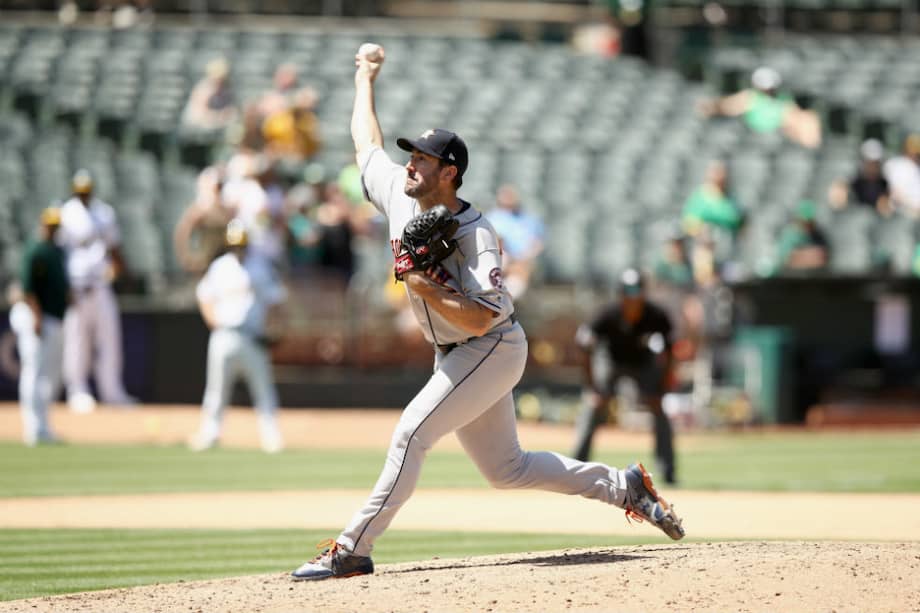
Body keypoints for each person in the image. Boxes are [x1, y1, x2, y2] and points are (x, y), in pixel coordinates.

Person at [290, 42, 684, 582]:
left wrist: (422, 283)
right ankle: (625, 487)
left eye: (422, 158)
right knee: (508, 469)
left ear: (449, 173)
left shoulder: (478, 237)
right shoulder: (401, 197)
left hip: (491, 346)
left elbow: (480, 319)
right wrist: (365, 77)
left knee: (411, 435)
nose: (410, 163)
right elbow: (365, 144)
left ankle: (352, 549)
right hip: (457, 350)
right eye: (412, 155)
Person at [188, 219, 287, 454]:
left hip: (252, 336)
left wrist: (273, 326)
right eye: (235, 245)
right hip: (224, 334)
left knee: (263, 390)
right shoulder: (220, 267)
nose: (239, 250)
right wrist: (213, 320)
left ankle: (270, 436)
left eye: (242, 245)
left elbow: (276, 300)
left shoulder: (260, 267)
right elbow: (204, 295)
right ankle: (211, 432)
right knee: (216, 390)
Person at [571, 268, 677, 484]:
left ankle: (667, 471)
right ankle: (577, 466)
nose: (633, 297)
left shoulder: (656, 315)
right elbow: (584, 345)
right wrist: (592, 387)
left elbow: (670, 352)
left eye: (637, 290)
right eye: (628, 291)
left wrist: (663, 386)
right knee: (593, 406)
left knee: (659, 408)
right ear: (620, 293)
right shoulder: (607, 313)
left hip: (642, 363)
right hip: (611, 361)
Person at [58, 169, 136, 413]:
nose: (84, 195)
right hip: (77, 287)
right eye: (80, 191)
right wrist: (63, 287)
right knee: (77, 341)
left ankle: (112, 391)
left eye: (87, 191)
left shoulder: (104, 212)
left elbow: (114, 248)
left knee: (109, 339)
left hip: (101, 286)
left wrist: (121, 272)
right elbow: (59, 253)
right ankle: (78, 390)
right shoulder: (66, 213)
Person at [9, 207, 69, 446]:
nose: (53, 230)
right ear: (42, 225)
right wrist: (36, 317)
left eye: (56, 226)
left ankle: (44, 426)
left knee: (51, 374)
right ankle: (33, 427)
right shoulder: (35, 251)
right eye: (50, 225)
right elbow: (27, 288)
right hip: (37, 317)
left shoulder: (57, 251)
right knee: (34, 371)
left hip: (54, 317)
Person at [698, 66, 821, 149]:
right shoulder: (754, 98)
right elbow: (729, 106)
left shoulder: (785, 99)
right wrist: (714, 107)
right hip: (764, 129)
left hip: (781, 128)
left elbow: (809, 137)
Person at [485, 183, 545, 300]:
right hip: (500, 258)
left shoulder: (529, 219)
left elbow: (538, 243)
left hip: (523, 261)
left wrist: (524, 257)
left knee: (520, 269)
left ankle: (506, 298)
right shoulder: (492, 217)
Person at [828, 138, 891, 216]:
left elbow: (886, 211)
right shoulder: (854, 182)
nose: (872, 166)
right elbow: (838, 203)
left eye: (875, 163)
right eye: (869, 162)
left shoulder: (884, 184)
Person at [771, 200, 830, 274]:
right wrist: (809, 256)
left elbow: (824, 257)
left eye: (810, 221)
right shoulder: (790, 235)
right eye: (804, 221)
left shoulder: (818, 235)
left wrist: (803, 256)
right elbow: (786, 259)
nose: (807, 224)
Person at [882, 133, 920, 217]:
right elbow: (896, 194)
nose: (916, 155)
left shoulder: (916, 167)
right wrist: (915, 210)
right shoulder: (898, 165)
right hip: (903, 214)